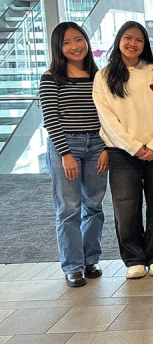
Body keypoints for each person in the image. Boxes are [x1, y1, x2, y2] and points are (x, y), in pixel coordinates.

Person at [93, 21, 153, 279]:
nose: (133, 44)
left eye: (139, 40)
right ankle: (133, 258)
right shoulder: (104, 76)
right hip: (121, 152)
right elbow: (107, 119)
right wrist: (134, 146)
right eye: (128, 38)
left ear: (145, 44)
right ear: (118, 40)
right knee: (125, 206)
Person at [40, 22, 108, 287]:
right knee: (68, 208)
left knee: (94, 205)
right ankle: (72, 266)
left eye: (79, 40)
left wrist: (106, 148)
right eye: (67, 42)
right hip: (65, 146)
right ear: (59, 47)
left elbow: (107, 115)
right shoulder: (50, 77)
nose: (75, 46)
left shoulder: (99, 76)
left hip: (97, 146)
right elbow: (51, 118)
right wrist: (65, 154)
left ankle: (90, 259)